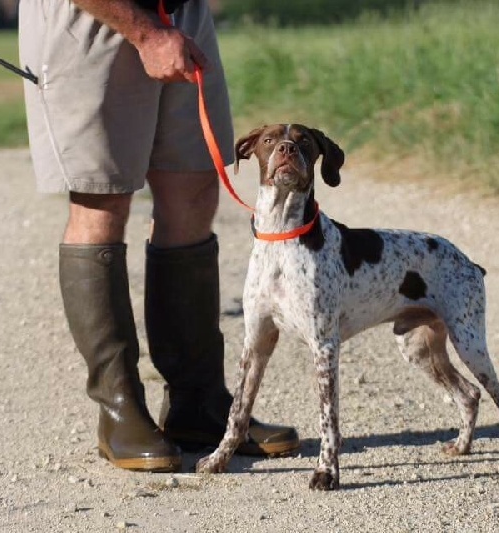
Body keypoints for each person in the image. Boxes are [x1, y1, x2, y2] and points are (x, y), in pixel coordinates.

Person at [18, 0, 299, 472]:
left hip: (183, 16)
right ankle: (119, 410)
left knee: (192, 188)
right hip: (93, 20)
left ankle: (199, 405)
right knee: (101, 198)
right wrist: (145, 34)